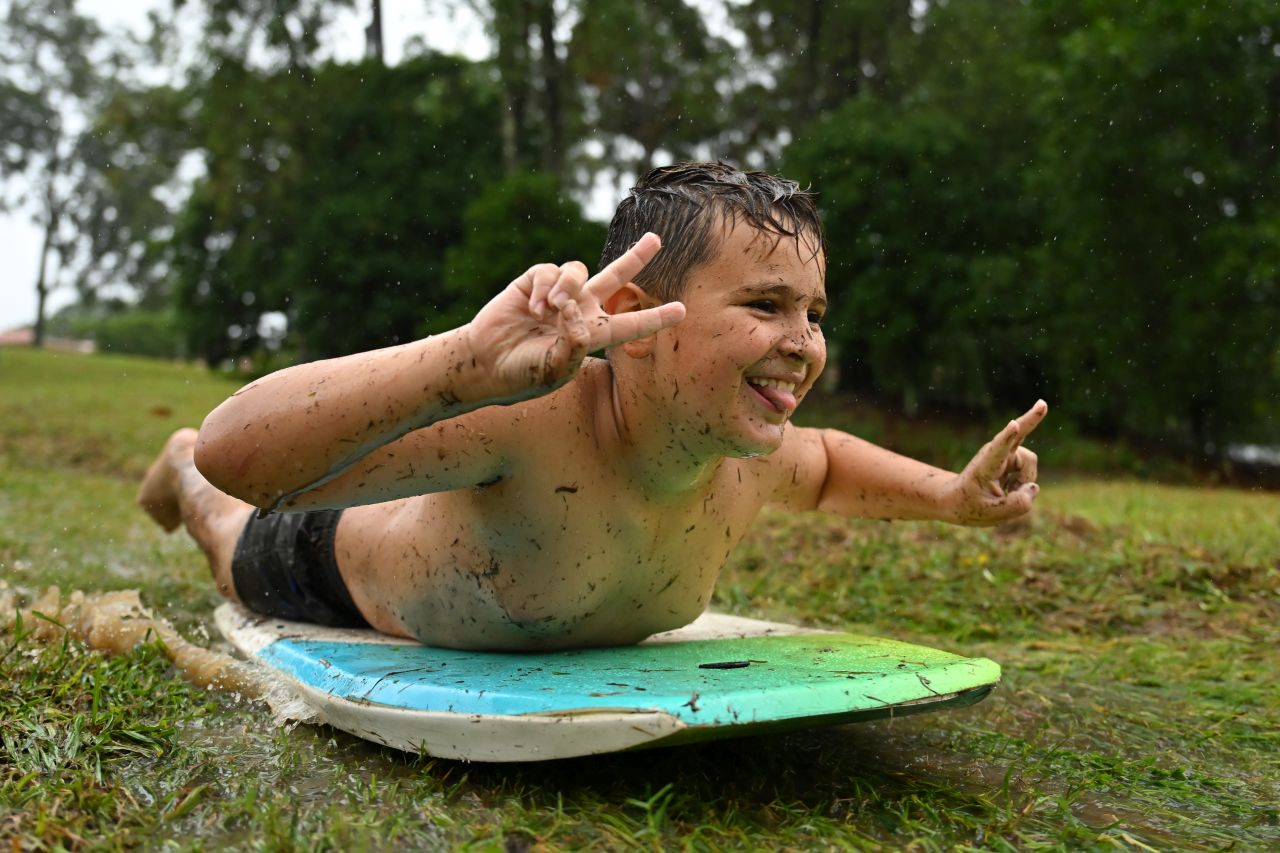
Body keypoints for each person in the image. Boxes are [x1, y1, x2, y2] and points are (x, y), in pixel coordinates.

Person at [138, 162, 1046, 651]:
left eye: (814, 313)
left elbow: (833, 461)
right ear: (633, 322)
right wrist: (462, 361)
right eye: (766, 306)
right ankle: (170, 475)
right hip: (334, 557)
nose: (805, 343)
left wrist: (952, 498)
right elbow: (242, 454)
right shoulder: (535, 420)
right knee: (227, 528)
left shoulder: (749, 455)